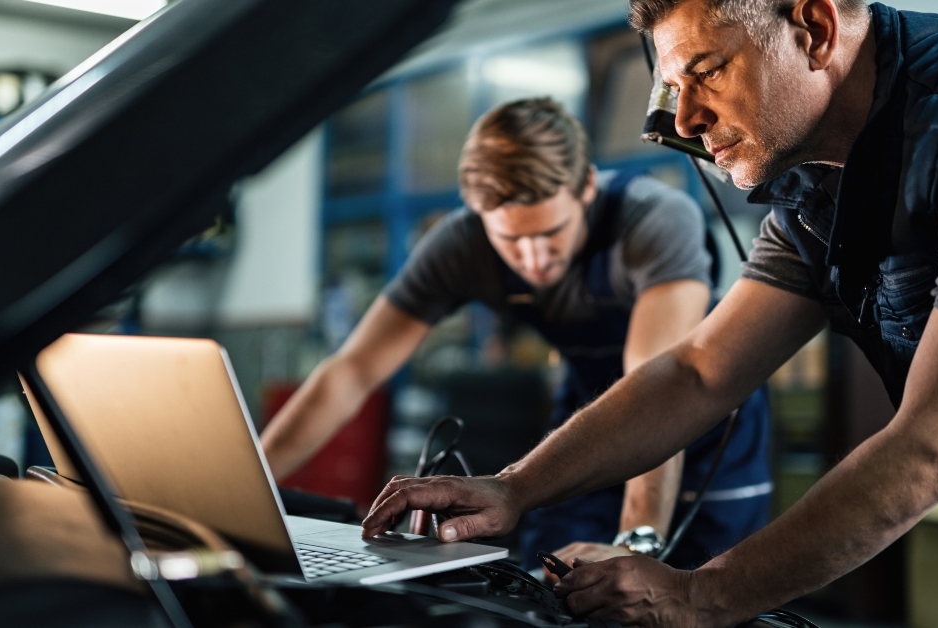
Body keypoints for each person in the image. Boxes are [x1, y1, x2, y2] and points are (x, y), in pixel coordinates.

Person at [361, 0, 938, 625]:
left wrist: (701, 595)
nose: (684, 118)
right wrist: (514, 488)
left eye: (707, 71)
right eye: (671, 86)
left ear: (814, 29)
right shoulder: (817, 195)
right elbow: (699, 371)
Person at [261, 97, 773, 573]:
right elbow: (350, 372)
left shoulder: (654, 221)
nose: (532, 259)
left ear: (586, 189)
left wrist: (632, 543)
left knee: (695, 592)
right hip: (590, 416)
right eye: (511, 241)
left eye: (550, 233)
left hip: (703, 423)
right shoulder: (461, 244)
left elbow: (662, 386)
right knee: (547, 585)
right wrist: (247, 489)